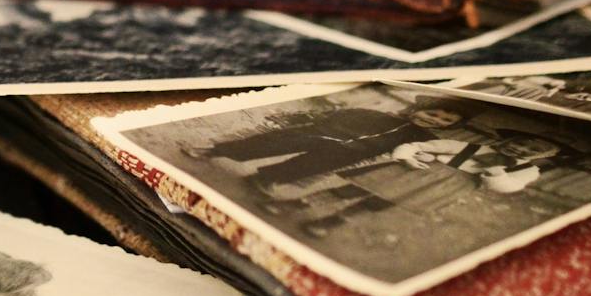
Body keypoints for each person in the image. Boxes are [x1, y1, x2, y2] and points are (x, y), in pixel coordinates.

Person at [294, 131, 565, 238]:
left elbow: (510, 188)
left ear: (543, 157)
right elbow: (421, 145)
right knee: (355, 188)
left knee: (381, 204)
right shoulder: (471, 146)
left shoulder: (528, 170)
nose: (521, 147)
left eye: (534, 149)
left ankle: (331, 222)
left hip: (448, 187)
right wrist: (409, 155)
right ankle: (300, 201)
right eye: (519, 140)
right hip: (419, 173)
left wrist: (497, 175)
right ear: (506, 140)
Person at [187, 104, 464, 192]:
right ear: (421, 108)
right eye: (433, 112)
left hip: (353, 150)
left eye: (444, 120)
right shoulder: (382, 116)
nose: (434, 119)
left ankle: (266, 178)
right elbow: (347, 114)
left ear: (447, 127)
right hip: (326, 132)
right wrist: (325, 124)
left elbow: (412, 149)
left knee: (313, 164)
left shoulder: (421, 135)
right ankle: (215, 150)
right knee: (274, 142)